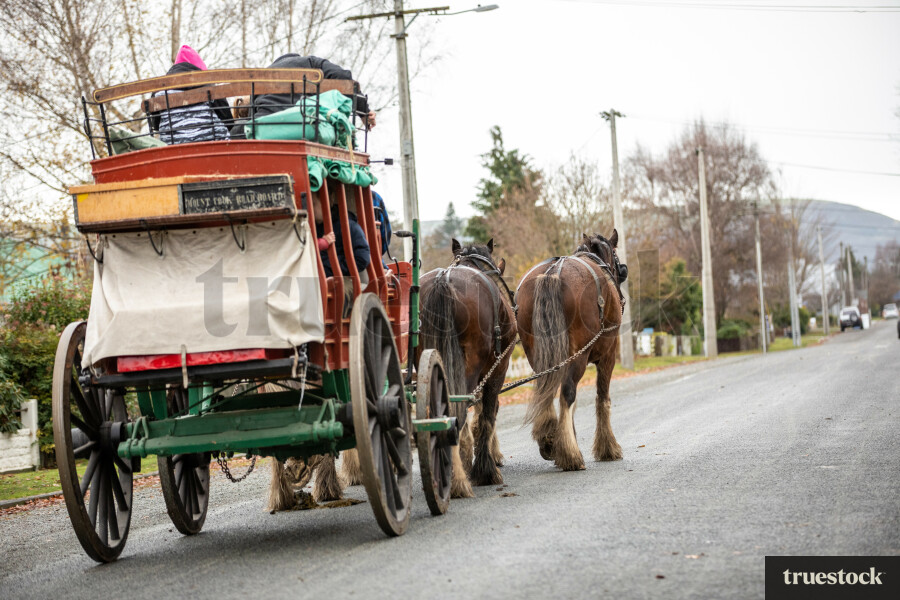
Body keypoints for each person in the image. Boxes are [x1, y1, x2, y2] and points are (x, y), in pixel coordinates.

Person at [230, 54, 375, 138]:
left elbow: (251, 121)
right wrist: (364, 112)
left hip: (266, 128)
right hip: (301, 127)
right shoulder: (311, 62)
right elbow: (343, 77)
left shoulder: (263, 77)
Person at [149, 45, 232, 144]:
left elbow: (156, 124)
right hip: (212, 145)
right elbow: (227, 120)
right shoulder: (211, 87)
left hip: (174, 147)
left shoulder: (159, 92)